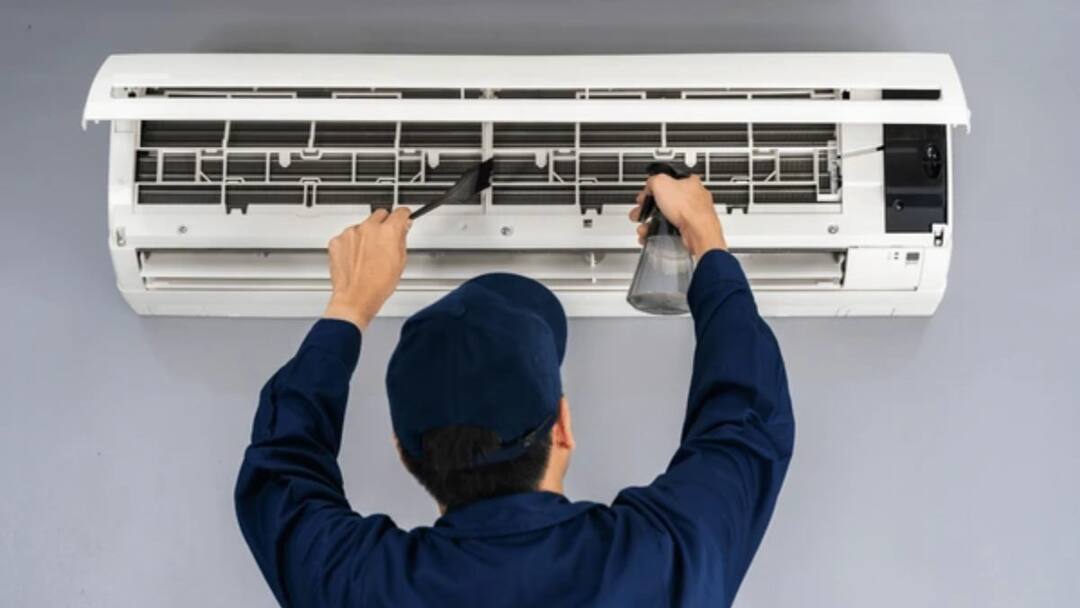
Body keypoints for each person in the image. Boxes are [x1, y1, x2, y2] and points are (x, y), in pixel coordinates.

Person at [235, 174, 795, 607]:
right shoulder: (661, 560)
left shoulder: (358, 586)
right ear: (562, 428)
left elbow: (279, 469)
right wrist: (703, 238)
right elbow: (746, 421)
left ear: (404, 452)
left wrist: (350, 306)